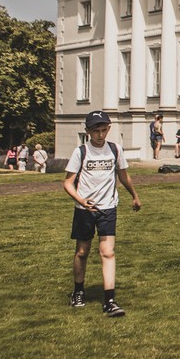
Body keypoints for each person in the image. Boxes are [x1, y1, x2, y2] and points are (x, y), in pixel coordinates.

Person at [63, 110, 141, 316]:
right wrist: (81, 200)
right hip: (84, 210)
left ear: (109, 129)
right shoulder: (81, 152)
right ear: (88, 131)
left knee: (108, 252)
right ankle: (78, 291)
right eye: (96, 130)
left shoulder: (115, 150)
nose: (100, 134)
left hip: (108, 208)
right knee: (82, 252)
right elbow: (68, 183)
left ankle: (110, 301)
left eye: (104, 130)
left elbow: (123, 176)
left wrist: (135, 195)